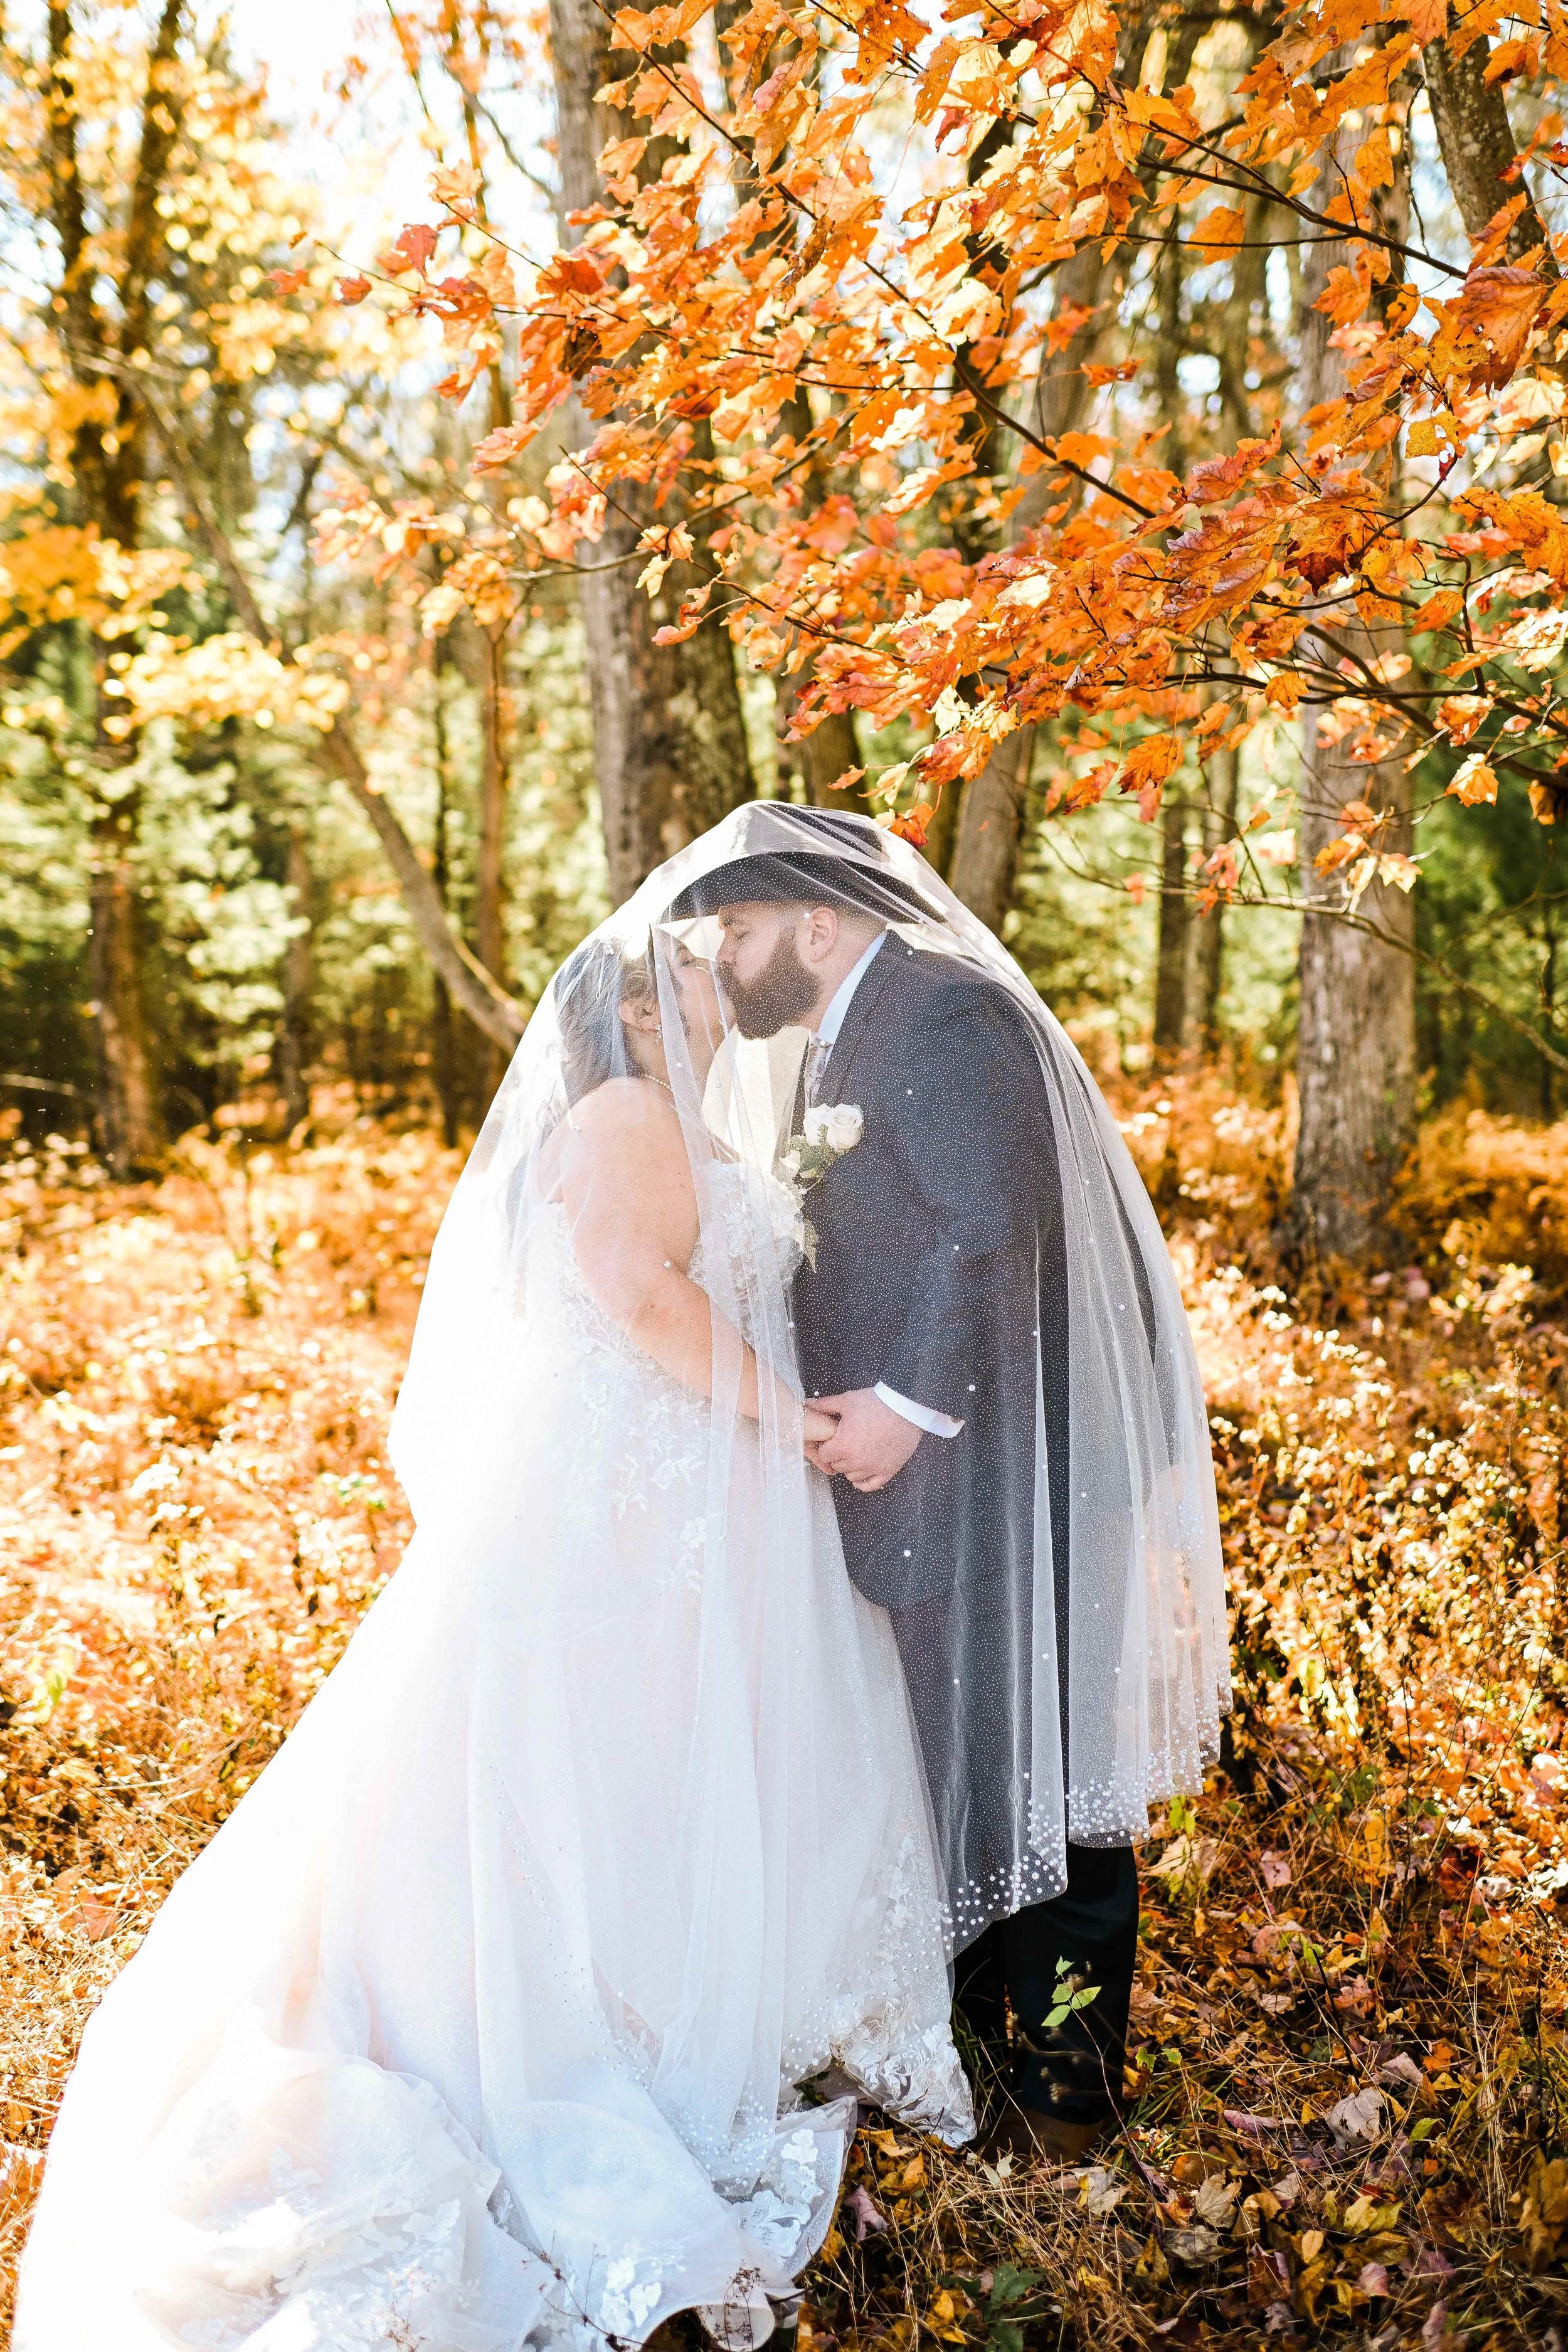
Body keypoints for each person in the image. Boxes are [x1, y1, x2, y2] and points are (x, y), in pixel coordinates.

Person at [14, 903, 972, 2352]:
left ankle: (672, 2001)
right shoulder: (624, 1113)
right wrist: (791, 1421)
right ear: (642, 1008)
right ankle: (576, 2029)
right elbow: (641, 1300)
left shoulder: (672, 1115)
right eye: (699, 975)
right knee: (568, 1788)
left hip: (691, 1514)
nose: (725, 991)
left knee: (646, 1782)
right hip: (627, 1521)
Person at [669, 804, 1229, 2162]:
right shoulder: (851, 1031)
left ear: (816, 921)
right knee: (961, 1759)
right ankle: (987, 2046)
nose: (726, 960)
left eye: (738, 932)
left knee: (1051, 1770)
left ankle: (1070, 2093)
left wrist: (904, 1412)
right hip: (941, 1484)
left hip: (1019, 1474)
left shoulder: (942, 1014)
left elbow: (991, 1234)